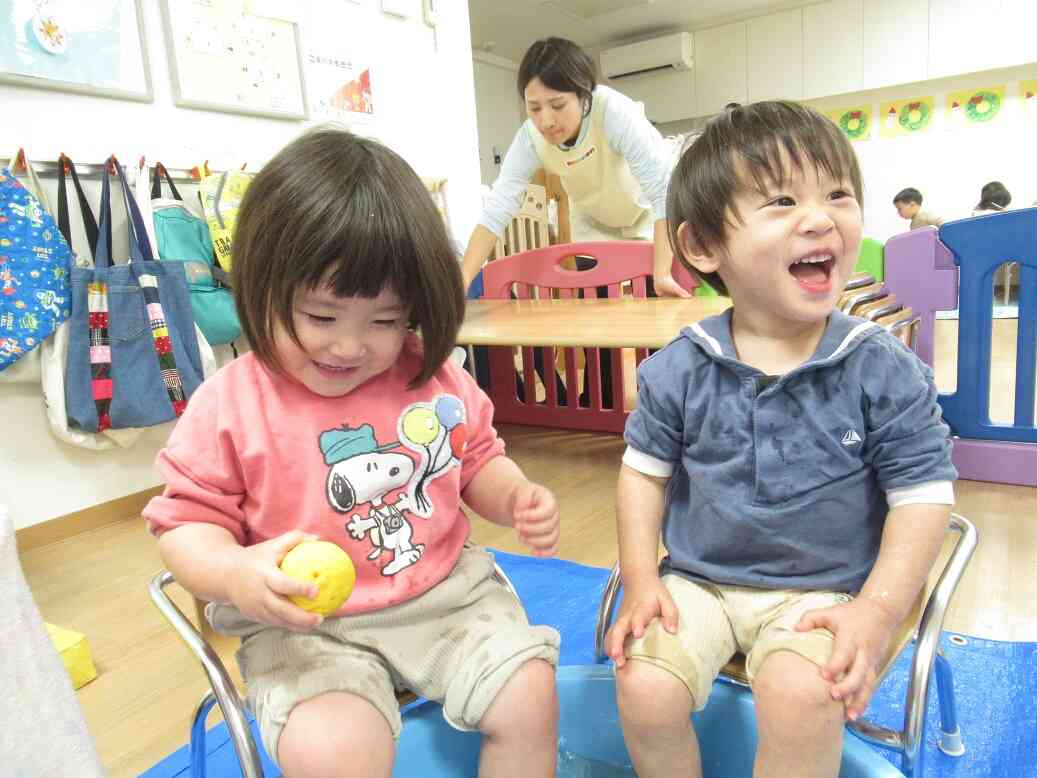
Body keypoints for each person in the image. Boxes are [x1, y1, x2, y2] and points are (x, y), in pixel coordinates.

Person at [143, 129, 562, 778]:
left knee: (529, 695)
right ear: (260, 289)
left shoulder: (431, 379)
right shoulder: (231, 403)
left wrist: (515, 497)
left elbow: (475, 459)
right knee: (335, 751)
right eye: (321, 315)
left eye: (385, 321)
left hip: (446, 598)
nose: (349, 346)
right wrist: (233, 572)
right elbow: (184, 526)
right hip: (307, 630)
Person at [604, 101, 956, 778]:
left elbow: (922, 496)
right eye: (781, 200)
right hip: (699, 584)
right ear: (704, 247)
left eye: (837, 194)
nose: (819, 216)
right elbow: (641, 475)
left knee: (801, 696)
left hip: (825, 592)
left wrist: (876, 613)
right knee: (644, 686)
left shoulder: (879, 367)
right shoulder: (679, 366)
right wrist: (644, 579)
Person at [460, 36, 687, 299]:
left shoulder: (613, 111)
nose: (545, 120)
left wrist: (662, 274)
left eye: (557, 105)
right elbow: (498, 207)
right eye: (534, 108)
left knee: (655, 309)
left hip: (648, 218)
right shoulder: (530, 138)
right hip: (593, 224)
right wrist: (462, 280)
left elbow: (662, 190)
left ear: (584, 95)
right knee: (598, 318)